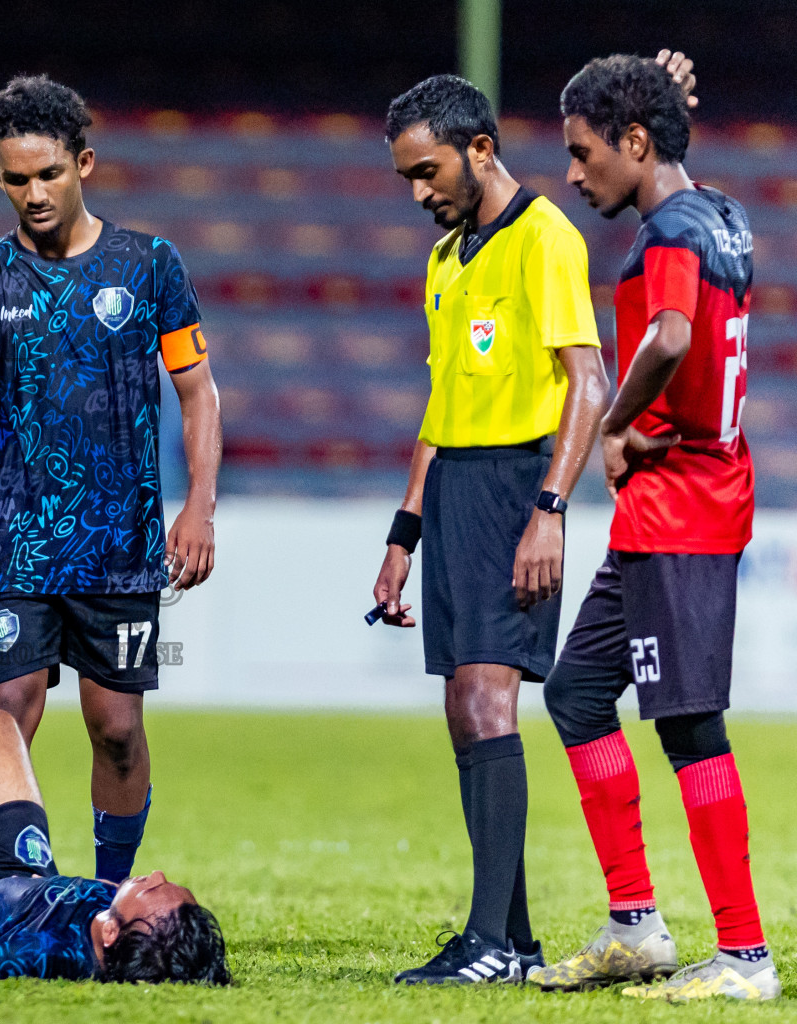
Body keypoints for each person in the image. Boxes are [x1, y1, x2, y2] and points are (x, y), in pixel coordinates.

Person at [0, 75, 223, 884]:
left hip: (119, 546)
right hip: (11, 539)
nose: (34, 193)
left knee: (117, 729)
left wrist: (197, 506)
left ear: (83, 163)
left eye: (49, 174)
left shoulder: (150, 266)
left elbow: (196, 394)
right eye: (16, 179)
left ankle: (107, 891)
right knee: (8, 710)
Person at [530, 52, 779, 1003]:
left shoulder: (671, 231)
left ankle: (745, 958)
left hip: (684, 504)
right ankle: (636, 926)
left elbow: (669, 336)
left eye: (584, 151)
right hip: (662, 516)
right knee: (579, 695)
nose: (573, 171)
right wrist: (666, 89)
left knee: (688, 727)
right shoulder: (719, 210)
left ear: (635, 143)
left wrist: (618, 423)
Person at [375, 75, 609, 983]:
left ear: (480, 149)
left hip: (519, 483)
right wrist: (404, 533)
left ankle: (487, 946)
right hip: (457, 488)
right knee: (462, 711)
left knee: (488, 704)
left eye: (427, 171)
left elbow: (587, 380)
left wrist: (550, 509)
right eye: (407, 178)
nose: (420, 191)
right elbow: (441, 411)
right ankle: (511, 942)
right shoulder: (447, 259)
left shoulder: (545, 237)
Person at [0, 708, 230, 984]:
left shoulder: (45, 953)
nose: (157, 874)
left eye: (151, 890)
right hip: (18, 866)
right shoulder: (126, 925)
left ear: (111, 933)